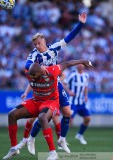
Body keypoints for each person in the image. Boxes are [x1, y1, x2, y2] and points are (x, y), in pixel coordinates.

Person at [16, 11, 88, 154]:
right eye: (35, 44)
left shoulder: (54, 48)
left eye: (39, 43)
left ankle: (61, 140)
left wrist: (80, 24)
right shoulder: (34, 55)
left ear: (44, 41)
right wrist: (38, 68)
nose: (37, 46)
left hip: (56, 84)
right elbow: (26, 66)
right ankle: (31, 138)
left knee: (67, 112)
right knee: (44, 117)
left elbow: (70, 37)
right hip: (43, 88)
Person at [2, 59, 92, 160]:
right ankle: (14, 148)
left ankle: (53, 152)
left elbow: (67, 63)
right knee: (12, 114)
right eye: (30, 75)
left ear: (41, 72)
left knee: (43, 117)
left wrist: (83, 60)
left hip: (51, 101)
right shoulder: (30, 73)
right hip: (36, 101)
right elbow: (27, 62)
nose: (31, 78)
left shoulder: (52, 71)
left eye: (34, 75)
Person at [65, 64, 91, 145]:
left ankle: (79, 135)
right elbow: (64, 84)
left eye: (82, 65)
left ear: (84, 66)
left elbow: (86, 87)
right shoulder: (72, 74)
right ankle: (62, 139)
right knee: (69, 120)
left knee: (87, 119)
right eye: (79, 64)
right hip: (73, 102)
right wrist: (69, 92)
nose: (80, 66)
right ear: (76, 66)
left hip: (81, 102)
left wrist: (86, 96)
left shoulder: (86, 75)